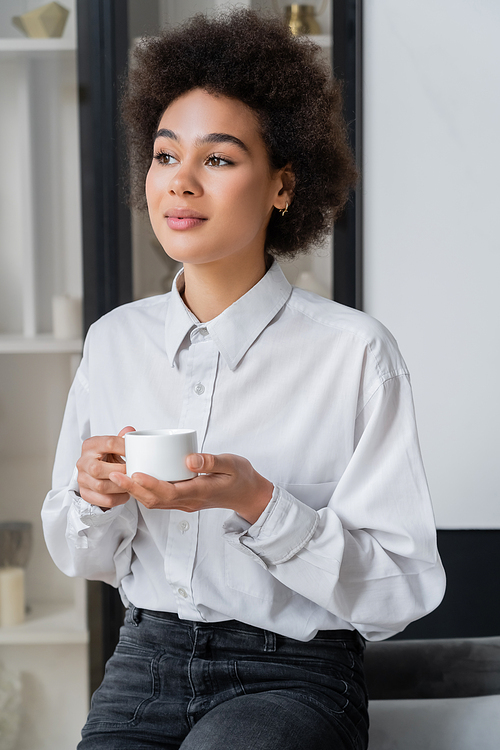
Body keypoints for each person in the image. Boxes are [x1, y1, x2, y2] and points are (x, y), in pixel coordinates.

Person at [42, 9, 445, 750]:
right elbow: (83, 556)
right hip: (145, 661)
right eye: (166, 156)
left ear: (284, 185)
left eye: (219, 160)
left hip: (295, 675)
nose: (181, 183)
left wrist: (257, 502)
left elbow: (400, 592)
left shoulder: (354, 353)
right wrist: (94, 497)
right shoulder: (115, 341)